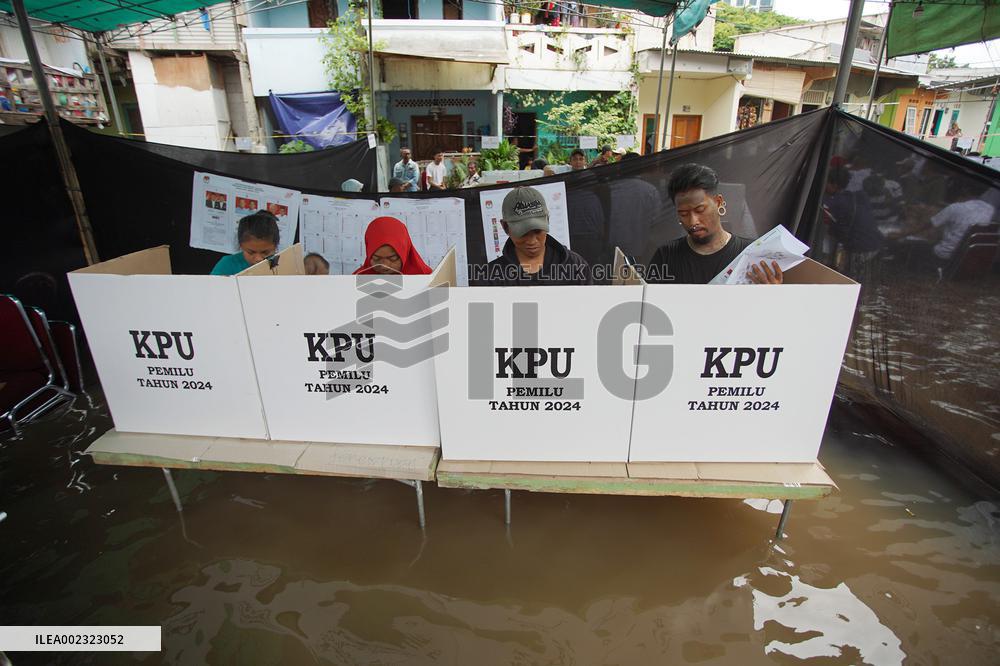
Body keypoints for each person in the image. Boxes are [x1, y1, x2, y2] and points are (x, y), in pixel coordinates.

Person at [646, 163, 782, 285]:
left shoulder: (750, 254)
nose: (693, 221)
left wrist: (771, 295)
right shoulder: (666, 255)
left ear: (718, 202)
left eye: (700, 210)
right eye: (683, 214)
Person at [473, 186, 591, 286]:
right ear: (505, 227)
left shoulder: (575, 266)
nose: (532, 241)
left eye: (537, 231)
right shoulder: (489, 278)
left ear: (547, 221)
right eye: (523, 233)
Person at [353, 216, 433, 275]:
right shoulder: (356, 279)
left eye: (392, 258)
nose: (384, 266)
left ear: (405, 253)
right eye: (376, 258)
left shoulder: (427, 278)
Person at [211, 211, 280, 275]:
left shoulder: (284, 263)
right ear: (241, 245)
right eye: (251, 252)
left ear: (275, 246)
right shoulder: (226, 265)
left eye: (265, 252)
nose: (258, 259)